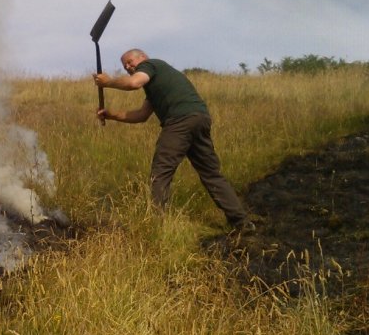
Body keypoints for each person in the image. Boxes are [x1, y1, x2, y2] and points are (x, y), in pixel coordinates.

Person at [94, 48, 255, 233]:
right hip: (199, 118)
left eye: (130, 62)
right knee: (211, 174)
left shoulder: (151, 65)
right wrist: (111, 115)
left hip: (180, 120)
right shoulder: (157, 84)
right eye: (125, 66)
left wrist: (108, 82)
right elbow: (141, 115)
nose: (128, 67)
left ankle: (157, 227)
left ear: (143, 58)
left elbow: (134, 83)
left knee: (160, 172)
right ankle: (242, 223)